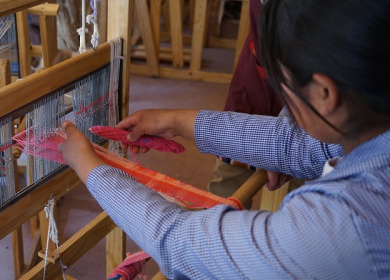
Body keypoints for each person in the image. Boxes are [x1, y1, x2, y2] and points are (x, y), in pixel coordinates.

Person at [58, 0, 390, 278]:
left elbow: (181, 244)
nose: (282, 101)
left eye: (282, 84)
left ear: (324, 93)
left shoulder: (347, 223)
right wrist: (174, 121)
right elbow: (296, 143)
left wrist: (88, 165)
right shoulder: (372, 129)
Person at [207, 0, 284, 201]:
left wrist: (287, 140)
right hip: (258, 76)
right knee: (229, 182)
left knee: (310, 182)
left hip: (318, 81)